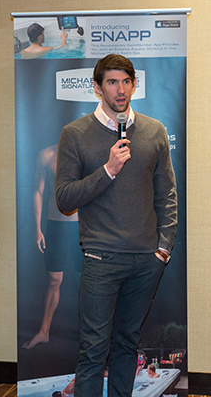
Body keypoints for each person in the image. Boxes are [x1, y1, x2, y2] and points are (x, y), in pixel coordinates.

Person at [55, 54, 178, 396]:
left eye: (126, 81)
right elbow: (65, 198)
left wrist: (163, 248)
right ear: (97, 88)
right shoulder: (75, 134)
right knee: (94, 350)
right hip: (101, 258)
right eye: (111, 82)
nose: (120, 89)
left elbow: (166, 193)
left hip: (146, 260)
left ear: (134, 85)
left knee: (126, 344)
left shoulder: (154, 130)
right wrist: (108, 170)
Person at [22, 144, 81, 350]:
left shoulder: (87, 151)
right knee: (54, 279)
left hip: (83, 226)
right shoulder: (46, 154)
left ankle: (92, 339)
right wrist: (38, 228)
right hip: (55, 224)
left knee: (89, 283)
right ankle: (44, 332)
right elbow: (38, 190)